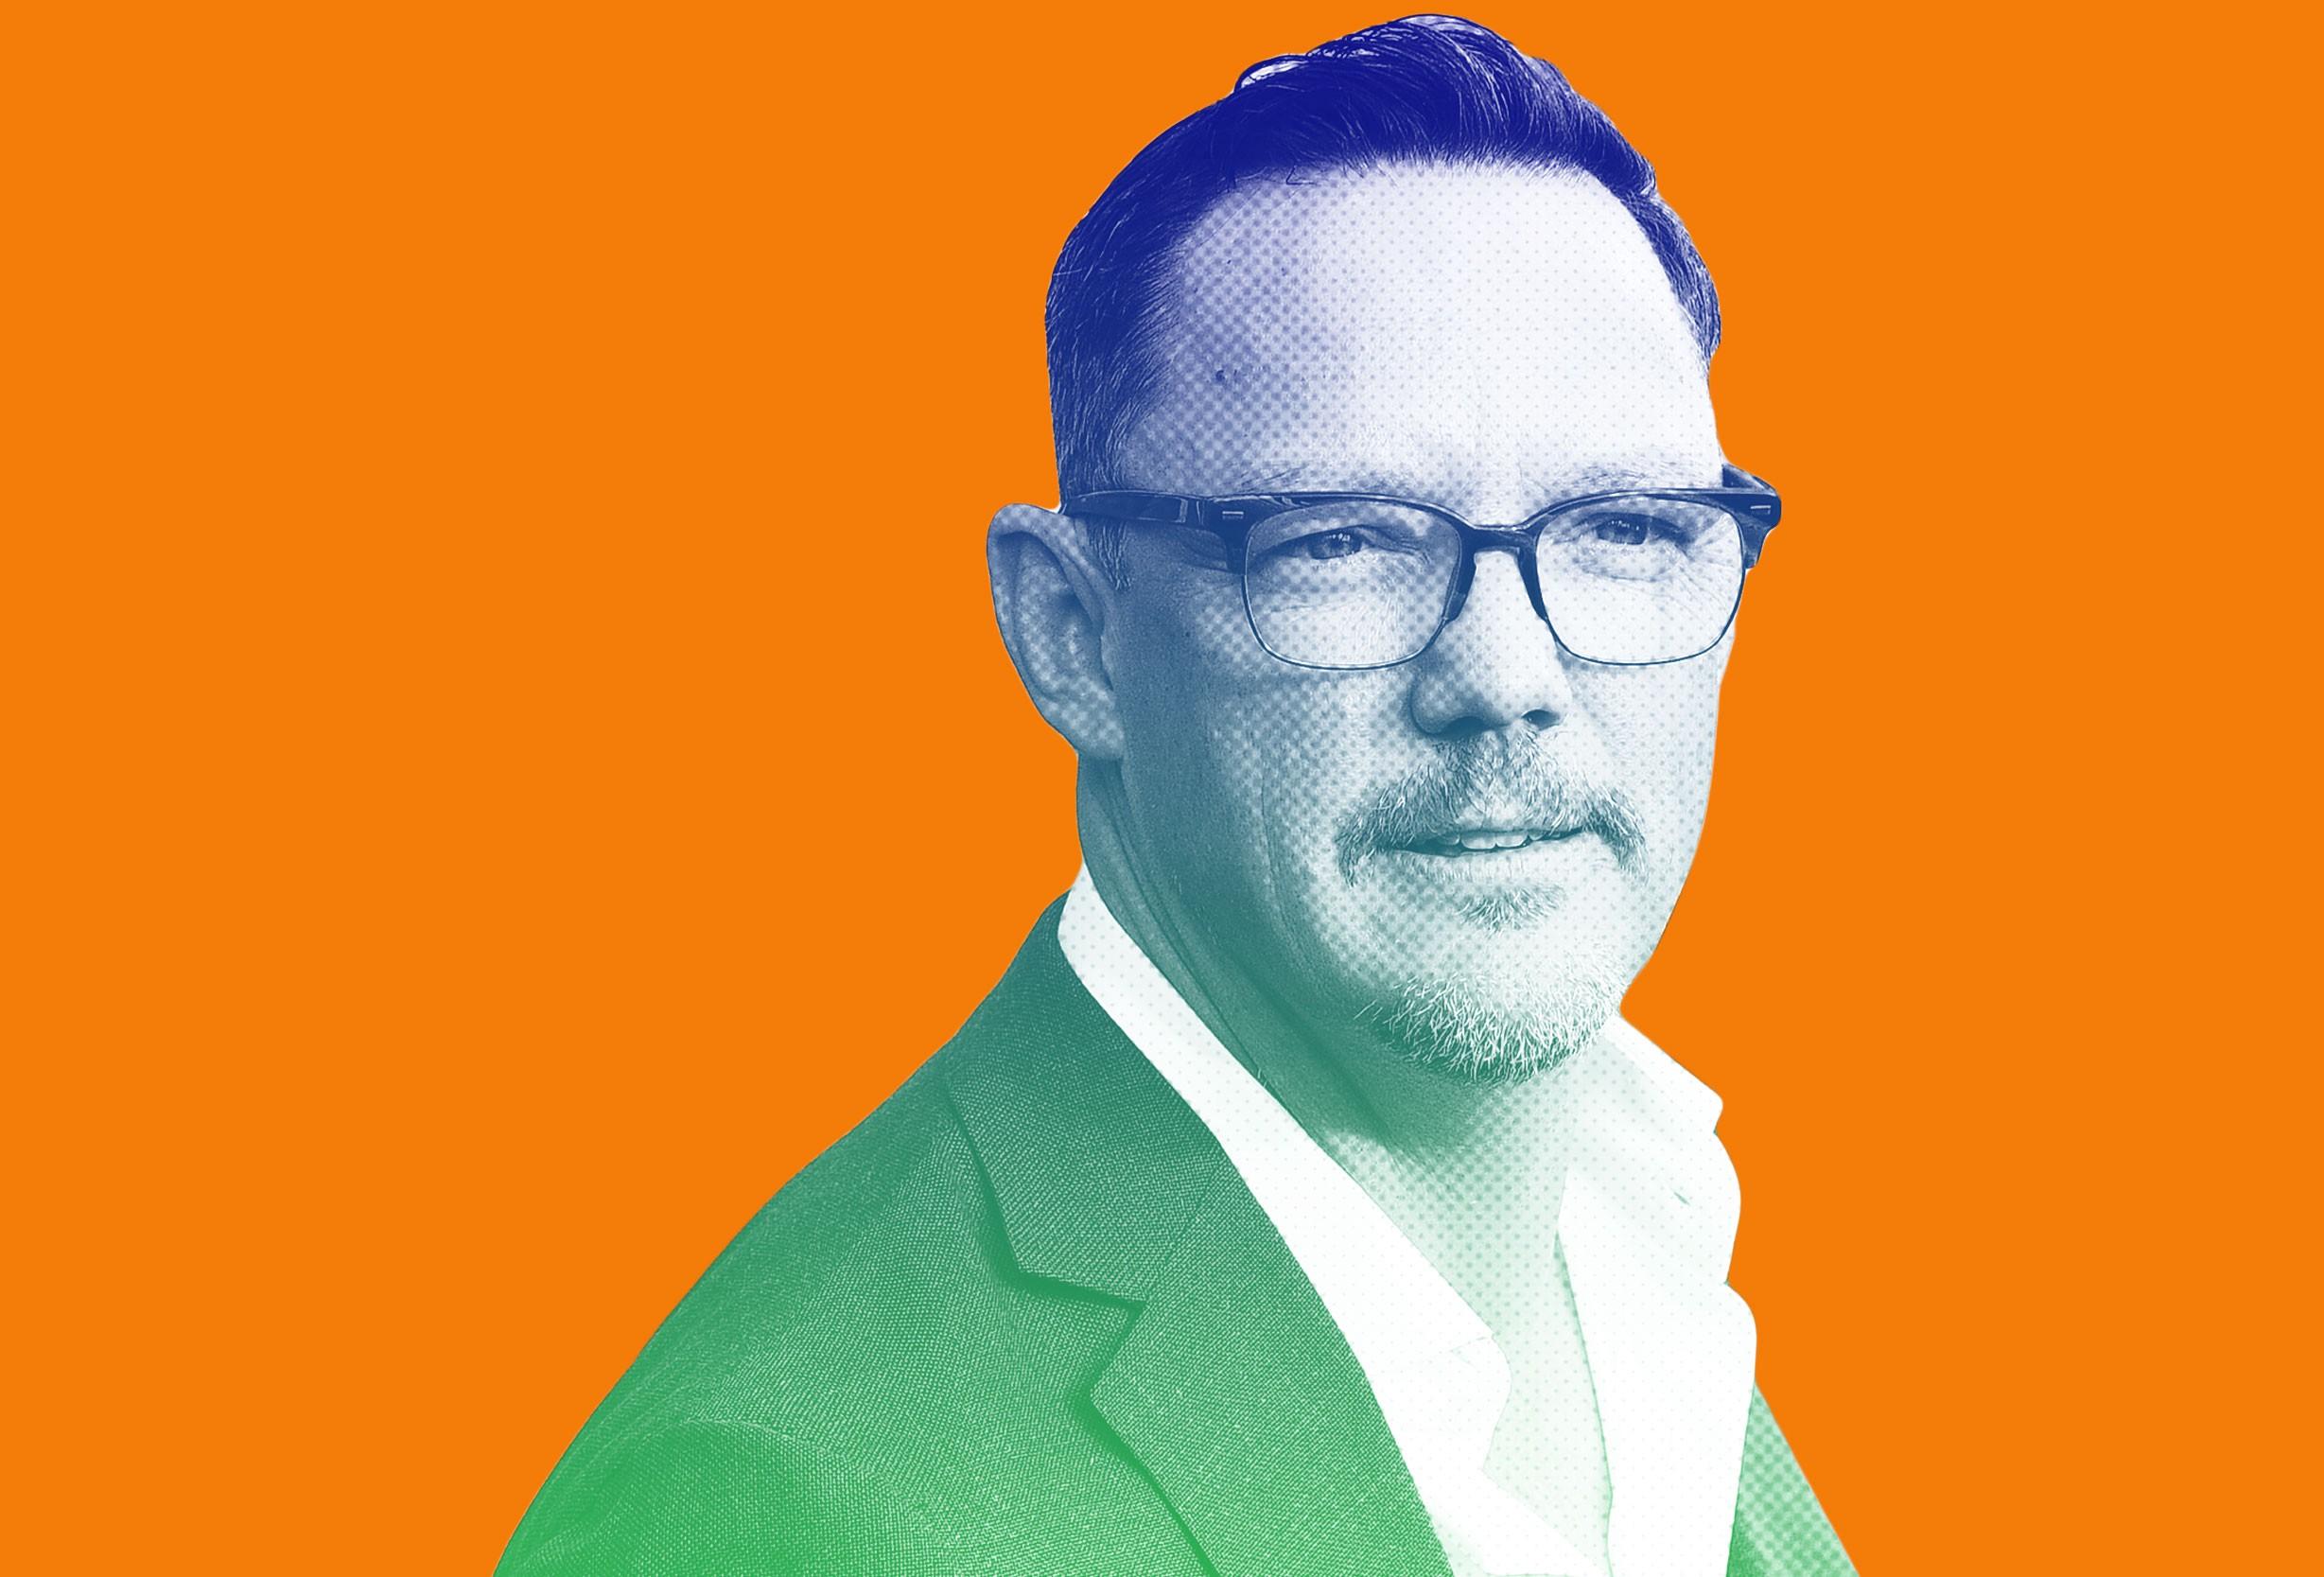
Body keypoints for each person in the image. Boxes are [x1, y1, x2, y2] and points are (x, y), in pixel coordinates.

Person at [499, 15, 1851, 1575]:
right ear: (1072, 632)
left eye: (1624, 526)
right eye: (1342, 539)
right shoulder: (773, 1505)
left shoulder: (1644, 1255)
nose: (1506, 674)